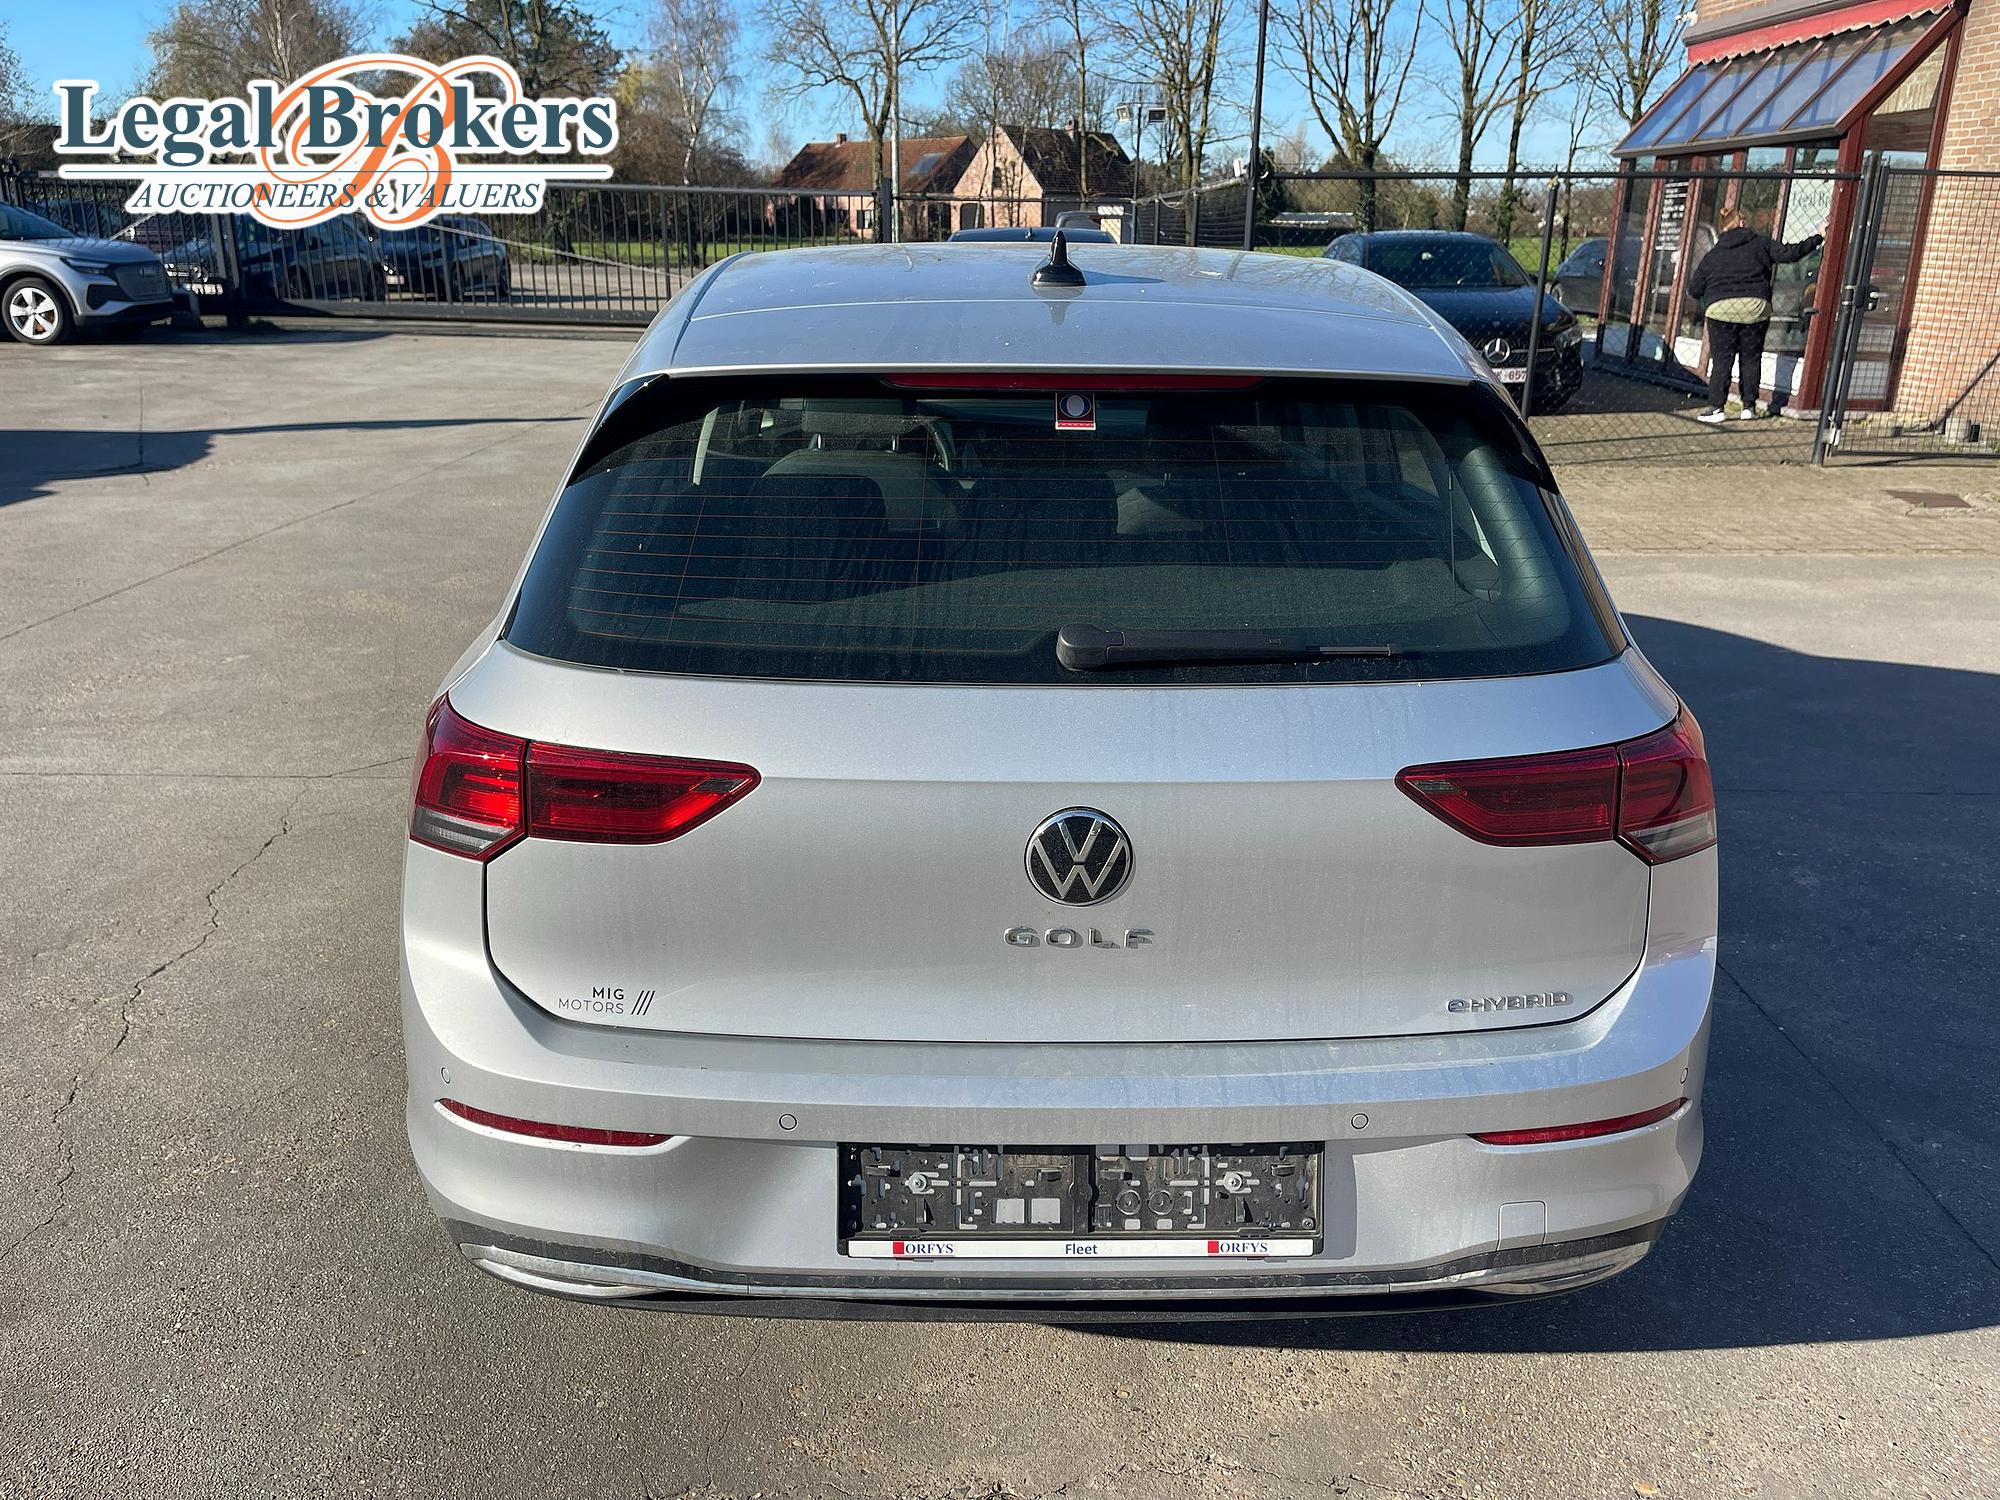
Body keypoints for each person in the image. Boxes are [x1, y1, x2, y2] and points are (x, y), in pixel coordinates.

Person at [1688, 209, 1825, 424]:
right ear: (1743, 223)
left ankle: (1716, 408)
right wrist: (1818, 237)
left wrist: (1713, 296)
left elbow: (1695, 289)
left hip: (1721, 311)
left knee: (1722, 360)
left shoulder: (1714, 254)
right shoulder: (1761, 244)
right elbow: (1790, 254)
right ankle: (1749, 407)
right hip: (1755, 308)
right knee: (1751, 358)